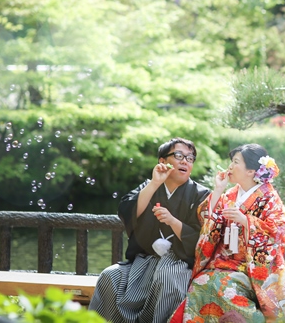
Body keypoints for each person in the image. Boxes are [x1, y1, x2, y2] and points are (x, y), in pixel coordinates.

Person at [89, 138, 210, 323]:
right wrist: (154, 183)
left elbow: (202, 238)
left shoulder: (201, 195)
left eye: (190, 158)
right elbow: (127, 211)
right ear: (163, 161)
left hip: (179, 263)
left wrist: (173, 221)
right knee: (110, 276)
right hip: (145, 260)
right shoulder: (149, 186)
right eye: (179, 156)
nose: (185, 161)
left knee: (167, 279)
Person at [170, 143, 285, 323]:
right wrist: (218, 189)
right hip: (224, 262)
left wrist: (246, 221)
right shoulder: (230, 195)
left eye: (236, 162)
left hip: (251, 267)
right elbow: (206, 219)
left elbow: (277, 232)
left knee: (219, 284)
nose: (230, 166)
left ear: (251, 171)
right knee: (201, 282)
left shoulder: (270, 198)